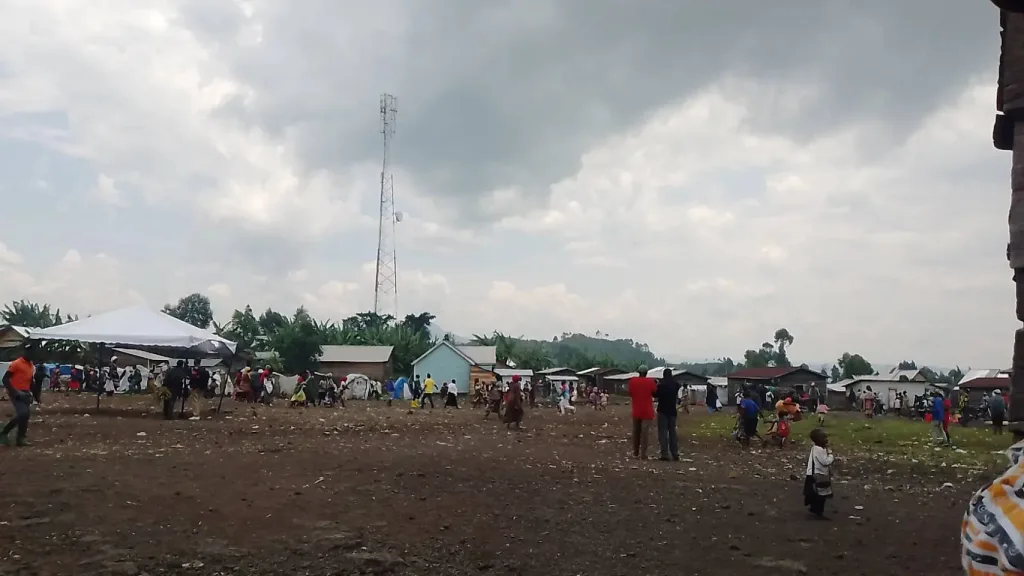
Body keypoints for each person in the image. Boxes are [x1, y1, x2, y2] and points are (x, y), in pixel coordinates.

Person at [1, 344, 37, 447]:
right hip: (16, 392)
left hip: (26, 393)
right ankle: (6, 432)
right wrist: (14, 392)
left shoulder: (31, 366)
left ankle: (20, 438)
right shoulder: (16, 363)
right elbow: (5, 379)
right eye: (29, 352)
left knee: (24, 416)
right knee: (23, 414)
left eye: (33, 352)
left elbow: (31, 382)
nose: (31, 354)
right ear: (25, 352)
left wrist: (36, 396)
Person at [803, 428, 835, 519]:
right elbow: (825, 462)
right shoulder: (819, 450)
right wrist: (831, 456)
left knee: (815, 493)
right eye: (824, 438)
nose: (826, 439)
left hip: (813, 474)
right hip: (818, 475)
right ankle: (818, 512)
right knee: (821, 495)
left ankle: (814, 509)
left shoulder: (816, 448)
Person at [628, 366, 658, 460]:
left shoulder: (632, 381)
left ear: (638, 372)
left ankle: (635, 452)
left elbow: (630, 393)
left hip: (636, 410)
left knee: (636, 432)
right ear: (646, 372)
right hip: (647, 411)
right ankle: (643, 454)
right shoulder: (651, 381)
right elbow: (655, 393)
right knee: (644, 433)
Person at [655, 368, 680, 462]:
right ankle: (675, 453)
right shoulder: (675, 384)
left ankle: (664, 454)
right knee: (672, 432)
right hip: (672, 411)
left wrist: (656, 384)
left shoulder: (661, 386)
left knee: (663, 433)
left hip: (662, 411)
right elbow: (678, 385)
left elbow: (655, 394)